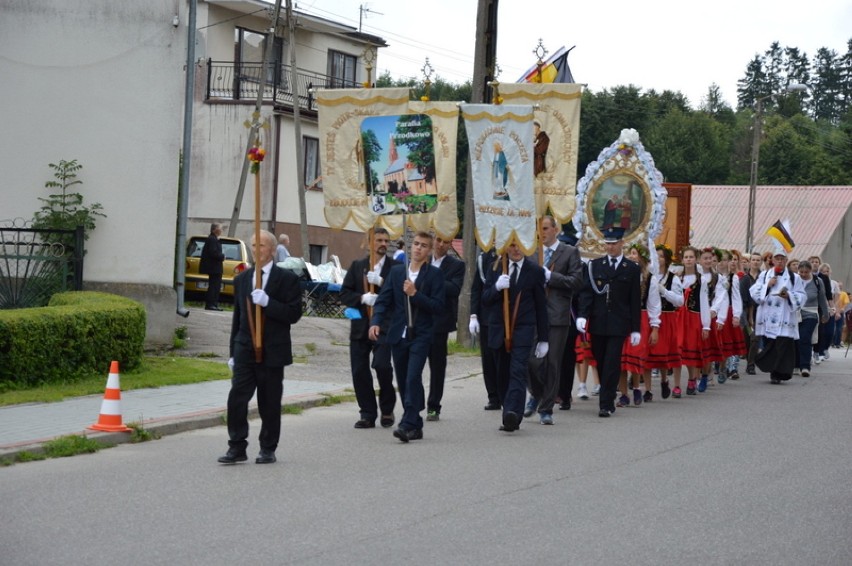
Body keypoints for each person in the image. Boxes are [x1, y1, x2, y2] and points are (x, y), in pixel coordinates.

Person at [217, 230, 303, 464]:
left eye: (262, 245)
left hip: (273, 350)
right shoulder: (242, 279)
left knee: (270, 402)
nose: (257, 250)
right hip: (245, 348)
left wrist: (268, 303)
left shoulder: (287, 280)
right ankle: (236, 446)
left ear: (273, 250)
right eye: (254, 245)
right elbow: (238, 318)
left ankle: (267, 447)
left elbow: (294, 314)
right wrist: (233, 352)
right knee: (237, 399)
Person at [369, 231, 445, 443]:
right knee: (403, 380)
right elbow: (384, 301)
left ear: (429, 251)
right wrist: (375, 322)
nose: (419, 248)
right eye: (416, 244)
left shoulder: (434, 275)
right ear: (411, 247)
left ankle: (407, 423)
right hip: (398, 335)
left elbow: (438, 307)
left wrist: (415, 294)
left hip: (421, 334)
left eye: (423, 245)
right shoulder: (396, 273)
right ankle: (416, 422)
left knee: (413, 377)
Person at [482, 239, 549, 432]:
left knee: (517, 372)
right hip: (499, 329)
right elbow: (485, 299)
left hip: (523, 330)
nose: (517, 249)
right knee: (502, 374)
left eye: (520, 244)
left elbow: (540, 307)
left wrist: (543, 338)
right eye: (512, 245)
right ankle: (508, 412)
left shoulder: (534, 271)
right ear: (505, 247)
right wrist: (496, 288)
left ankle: (513, 413)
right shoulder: (495, 268)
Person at [576, 227, 641, 417]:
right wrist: (582, 315)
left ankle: (605, 403)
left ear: (622, 244)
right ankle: (609, 392)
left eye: (614, 243)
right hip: (598, 321)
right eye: (608, 243)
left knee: (612, 362)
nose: (610, 247)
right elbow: (587, 293)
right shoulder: (595, 265)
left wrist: (636, 328)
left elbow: (634, 300)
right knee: (601, 360)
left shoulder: (631, 269)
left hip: (619, 323)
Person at [339, 228, 398, 429]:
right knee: (359, 371)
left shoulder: (395, 267)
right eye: (379, 240)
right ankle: (367, 413)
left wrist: (381, 283)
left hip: (384, 326)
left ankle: (387, 408)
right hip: (360, 326)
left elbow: (400, 295)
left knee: (382, 366)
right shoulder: (358, 267)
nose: (383, 243)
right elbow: (344, 294)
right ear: (370, 242)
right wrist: (362, 298)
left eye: (386, 240)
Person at [525, 215, 582, 423]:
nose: (542, 232)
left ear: (555, 229)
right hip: (534, 316)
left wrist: (551, 278)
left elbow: (576, 282)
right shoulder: (532, 254)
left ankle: (546, 409)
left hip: (557, 316)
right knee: (531, 360)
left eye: (546, 228)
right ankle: (536, 393)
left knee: (551, 362)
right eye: (539, 229)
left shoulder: (569, 252)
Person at [751, 246, 806, 384]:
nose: (780, 261)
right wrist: (767, 286)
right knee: (771, 344)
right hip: (768, 316)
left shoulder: (794, 277)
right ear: (773, 260)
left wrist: (789, 295)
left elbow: (802, 295)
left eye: (782, 259)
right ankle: (772, 370)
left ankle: (779, 373)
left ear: (786, 260)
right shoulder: (764, 275)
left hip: (785, 316)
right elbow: (754, 292)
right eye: (777, 259)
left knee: (783, 345)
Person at [426, 235, 465, 421]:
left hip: (439, 324)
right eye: (439, 240)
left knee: (437, 367)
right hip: (418, 321)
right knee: (412, 365)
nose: (441, 245)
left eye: (446, 241)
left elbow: (453, 289)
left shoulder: (456, 265)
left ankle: (434, 405)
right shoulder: (422, 260)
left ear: (451, 244)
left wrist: (431, 278)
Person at [470, 249, 503, 410]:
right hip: (487, 315)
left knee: (503, 359)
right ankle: (493, 396)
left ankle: (505, 394)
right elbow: (476, 288)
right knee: (488, 359)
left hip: (507, 316)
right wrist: (473, 315)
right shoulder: (484, 258)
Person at [796, 260, 829, 377]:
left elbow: (822, 298)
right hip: (796, 313)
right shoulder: (795, 280)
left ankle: (805, 366)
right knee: (795, 339)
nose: (803, 274)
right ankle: (796, 364)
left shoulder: (817, 281)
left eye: (806, 272)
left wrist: (826, 313)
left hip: (811, 313)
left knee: (804, 337)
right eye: (801, 272)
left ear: (810, 271)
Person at [740, 251, 763, 375]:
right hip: (746, 312)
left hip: (760, 312)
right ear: (750, 262)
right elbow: (743, 298)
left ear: (761, 262)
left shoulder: (764, 278)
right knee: (747, 339)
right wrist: (747, 316)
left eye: (758, 260)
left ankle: (751, 364)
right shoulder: (744, 279)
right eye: (753, 260)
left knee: (755, 338)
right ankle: (749, 358)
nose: (755, 262)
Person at [200, 222, 225, 311]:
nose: (221, 230)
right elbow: (213, 253)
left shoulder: (214, 239)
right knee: (214, 286)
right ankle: (211, 304)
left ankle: (214, 303)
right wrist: (222, 256)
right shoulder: (212, 239)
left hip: (215, 267)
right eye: (220, 228)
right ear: (214, 230)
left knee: (216, 286)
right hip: (214, 267)